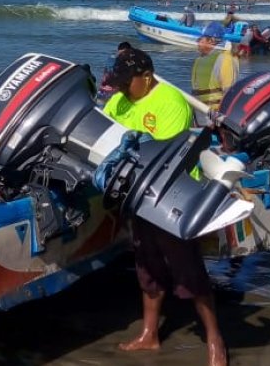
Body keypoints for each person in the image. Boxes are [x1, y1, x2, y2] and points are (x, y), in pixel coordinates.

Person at [103, 48, 228, 366]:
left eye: (126, 81)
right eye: (118, 81)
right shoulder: (118, 101)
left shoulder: (171, 102)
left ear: (146, 77)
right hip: (137, 197)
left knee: (189, 272)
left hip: (172, 199)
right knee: (147, 268)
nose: (121, 87)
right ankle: (149, 335)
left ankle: (215, 341)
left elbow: (165, 159)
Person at [191, 34, 240, 111]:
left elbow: (229, 91)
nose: (197, 43)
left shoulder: (225, 59)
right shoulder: (199, 60)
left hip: (216, 111)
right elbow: (195, 88)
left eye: (201, 40)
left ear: (211, 41)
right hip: (200, 111)